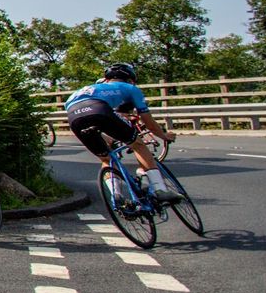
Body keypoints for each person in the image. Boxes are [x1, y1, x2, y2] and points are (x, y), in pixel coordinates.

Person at [64, 62, 180, 203]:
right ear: (131, 79)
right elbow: (149, 123)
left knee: (107, 158)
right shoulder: (130, 88)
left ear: (106, 79)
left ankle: (116, 196)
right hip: (99, 110)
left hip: (74, 117)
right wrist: (164, 136)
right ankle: (159, 190)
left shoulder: (86, 89)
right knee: (138, 144)